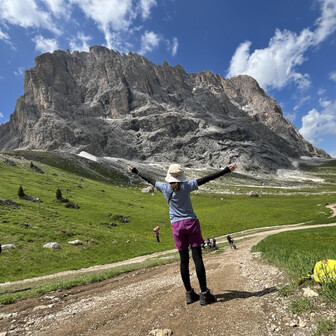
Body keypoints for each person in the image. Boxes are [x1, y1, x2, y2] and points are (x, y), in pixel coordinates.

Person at [127, 162, 237, 305]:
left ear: (169, 177)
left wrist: (136, 171)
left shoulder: (164, 187)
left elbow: (150, 180)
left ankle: (189, 294)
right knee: (197, 258)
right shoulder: (187, 186)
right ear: (181, 177)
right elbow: (208, 178)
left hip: (176, 226)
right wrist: (226, 170)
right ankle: (204, 293)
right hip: (191, 223)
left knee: (183, 260)